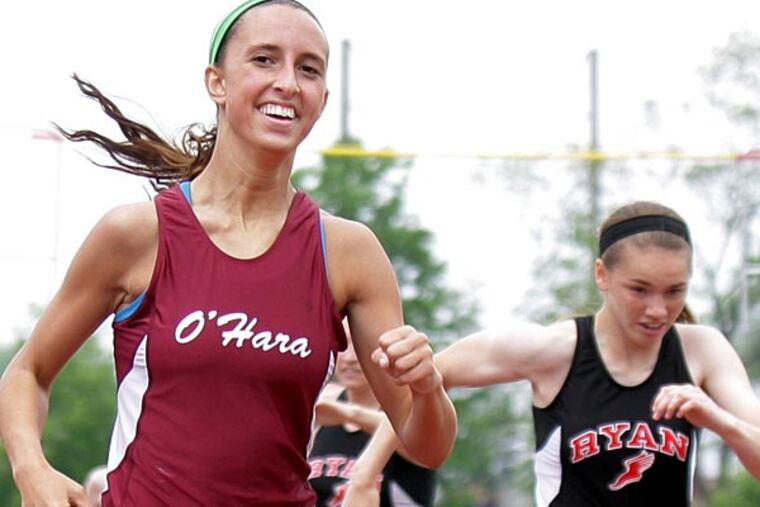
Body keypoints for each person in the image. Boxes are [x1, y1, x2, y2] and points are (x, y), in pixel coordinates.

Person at [0, 1, 456, 505]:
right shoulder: (137, 235)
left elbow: (426, 444)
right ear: (216, 81)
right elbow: (27, 373)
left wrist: (426, 386)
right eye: (264, 59)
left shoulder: (348, 253)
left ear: (322, 98)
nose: (287, 81)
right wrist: (30, 469)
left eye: (308, 68)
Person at [345, 201, 760, 506]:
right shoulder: (553, 351)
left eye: (675, 292)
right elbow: (432, 375)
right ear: (602, 274)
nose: (658, 310)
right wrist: (366, 473)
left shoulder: (702, 350)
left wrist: (717, 419)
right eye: (639, 289)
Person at [308, 324, 436, 506]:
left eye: (361, 347)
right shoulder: (322, 401)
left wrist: (350, 413)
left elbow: (423, 445)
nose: (350, 358)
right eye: (342, 344)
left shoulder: (414, 412)